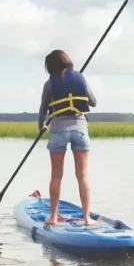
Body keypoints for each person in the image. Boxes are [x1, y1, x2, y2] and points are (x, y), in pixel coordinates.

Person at [39, 48, 97, 226]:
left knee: (56, 176)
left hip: (58, 131)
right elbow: (93, 102)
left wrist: (41, 125)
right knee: (82, 176)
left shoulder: (50, 83)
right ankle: (87, 218)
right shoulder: (80, 78)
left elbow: (43, 108)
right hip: (80, 130)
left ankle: (53, 217)